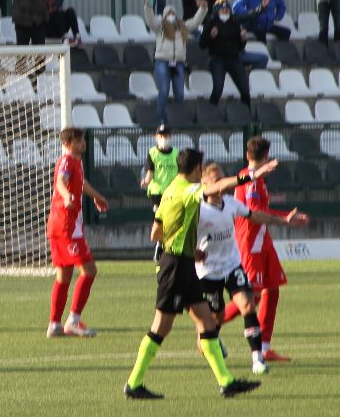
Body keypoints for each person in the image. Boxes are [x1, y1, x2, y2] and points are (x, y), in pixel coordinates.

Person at [123, 148, 277, 400]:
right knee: (161, 327)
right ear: (197, 169)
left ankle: (227, 382)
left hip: (184, 264)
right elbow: (216, 188)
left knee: (207, 323)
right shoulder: (189, 190)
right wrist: (252, 175)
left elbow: (155, 233)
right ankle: (134, 382)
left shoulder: (170, 189)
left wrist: (186, 248)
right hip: (175, 268)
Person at [196, 162, 307, 376]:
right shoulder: (198, 208)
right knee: (216, 317)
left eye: (223, 178)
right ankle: (208, 337)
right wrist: (193, 251)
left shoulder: (230, 203)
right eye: (216, 180)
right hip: (208, 270)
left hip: (231, 265)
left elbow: (255, 215)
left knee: (248, 303)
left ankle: (257, 358)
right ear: (204, 183)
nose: (222, 183)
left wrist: (284, 220)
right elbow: (180, 232)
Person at [220, 136, 310, 363]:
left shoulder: (255, 178)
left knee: (273, 288)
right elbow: (255, 211)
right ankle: (209, 324)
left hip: (263, 240)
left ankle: (264, 347)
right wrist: (286, 218)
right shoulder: (250, 180)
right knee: (252, 296)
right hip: (250, 243)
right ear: (266, 156)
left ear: (247, 154)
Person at [45, 127, 109, 338]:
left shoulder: (75, 162)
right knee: (89, 270)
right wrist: (66, 197)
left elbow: (80, 183)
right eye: (79, 141)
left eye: (83, 140)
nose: (83, 143)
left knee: (63, 276)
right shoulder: (66, 161)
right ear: (67, 144)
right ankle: (73, 321)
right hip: (67, 226)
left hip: (59, 225)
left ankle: (54, 324)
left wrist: (96, 196)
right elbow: (60, 182)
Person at [143, 0, 207, 123]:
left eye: (173, 13)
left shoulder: (183, 26)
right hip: (162, 61)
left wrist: (203, 9)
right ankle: (160, 118)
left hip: (178, 63)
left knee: (179, 92)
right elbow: (150, 20)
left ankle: (179, 118)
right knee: (164, 90)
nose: (171, 16)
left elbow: (195, 22)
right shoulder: (159, 27)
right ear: (164, 16)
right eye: (168, 14)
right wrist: (148, 6)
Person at [199, 0, 251, 109]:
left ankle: (247, 114)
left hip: (234, 59)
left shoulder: (234, 22)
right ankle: (211, 112)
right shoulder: (211, 22)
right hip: (217, 59)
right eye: (222, 10)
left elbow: (240, 47)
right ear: (217, 11)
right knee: (218, 89)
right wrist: (211, 36)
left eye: (227, 9)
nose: (225, 11)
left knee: (245, 89)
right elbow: (202, 44)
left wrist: (243, 39)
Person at [140, 124, 178, 261]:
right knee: (161, 218)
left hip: (172, 191)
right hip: (158, 192)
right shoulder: (153, 153)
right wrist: (146, 181)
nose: (164, 138)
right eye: (161, 136)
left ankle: (164, 244)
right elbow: (150, 172)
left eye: (166, 136)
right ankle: (160, 244)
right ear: (156, 137)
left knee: (171, 219)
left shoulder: (176, 153)